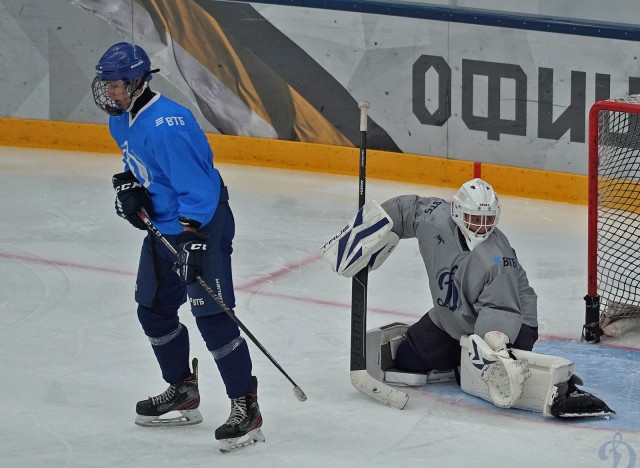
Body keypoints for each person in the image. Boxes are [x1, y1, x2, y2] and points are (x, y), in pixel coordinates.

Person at [91, 42, 264, 452]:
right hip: (164, 228)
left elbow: (199, 188)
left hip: (201, 227)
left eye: (115, 85)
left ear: (136, 82)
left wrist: (193, 240)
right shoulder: (122, 118)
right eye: (105, 85)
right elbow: (144, 167)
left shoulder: (168, 125)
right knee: (152, 309)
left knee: (214, 319)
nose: (108, 94)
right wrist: (131, 185)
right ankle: (183, 390)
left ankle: (246, 406)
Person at [380, 178, 539, 374]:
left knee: (490, 375)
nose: (482, 227)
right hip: (456, 316)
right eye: (475, 218)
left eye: (488, 219)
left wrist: (490, 353)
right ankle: (459, 358)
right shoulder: (435, 218)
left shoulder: (497, 258)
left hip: (511, 324)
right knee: (407, 359)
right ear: (457, 211)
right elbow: (408, 210)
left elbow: (501, 309)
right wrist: (370, 229)